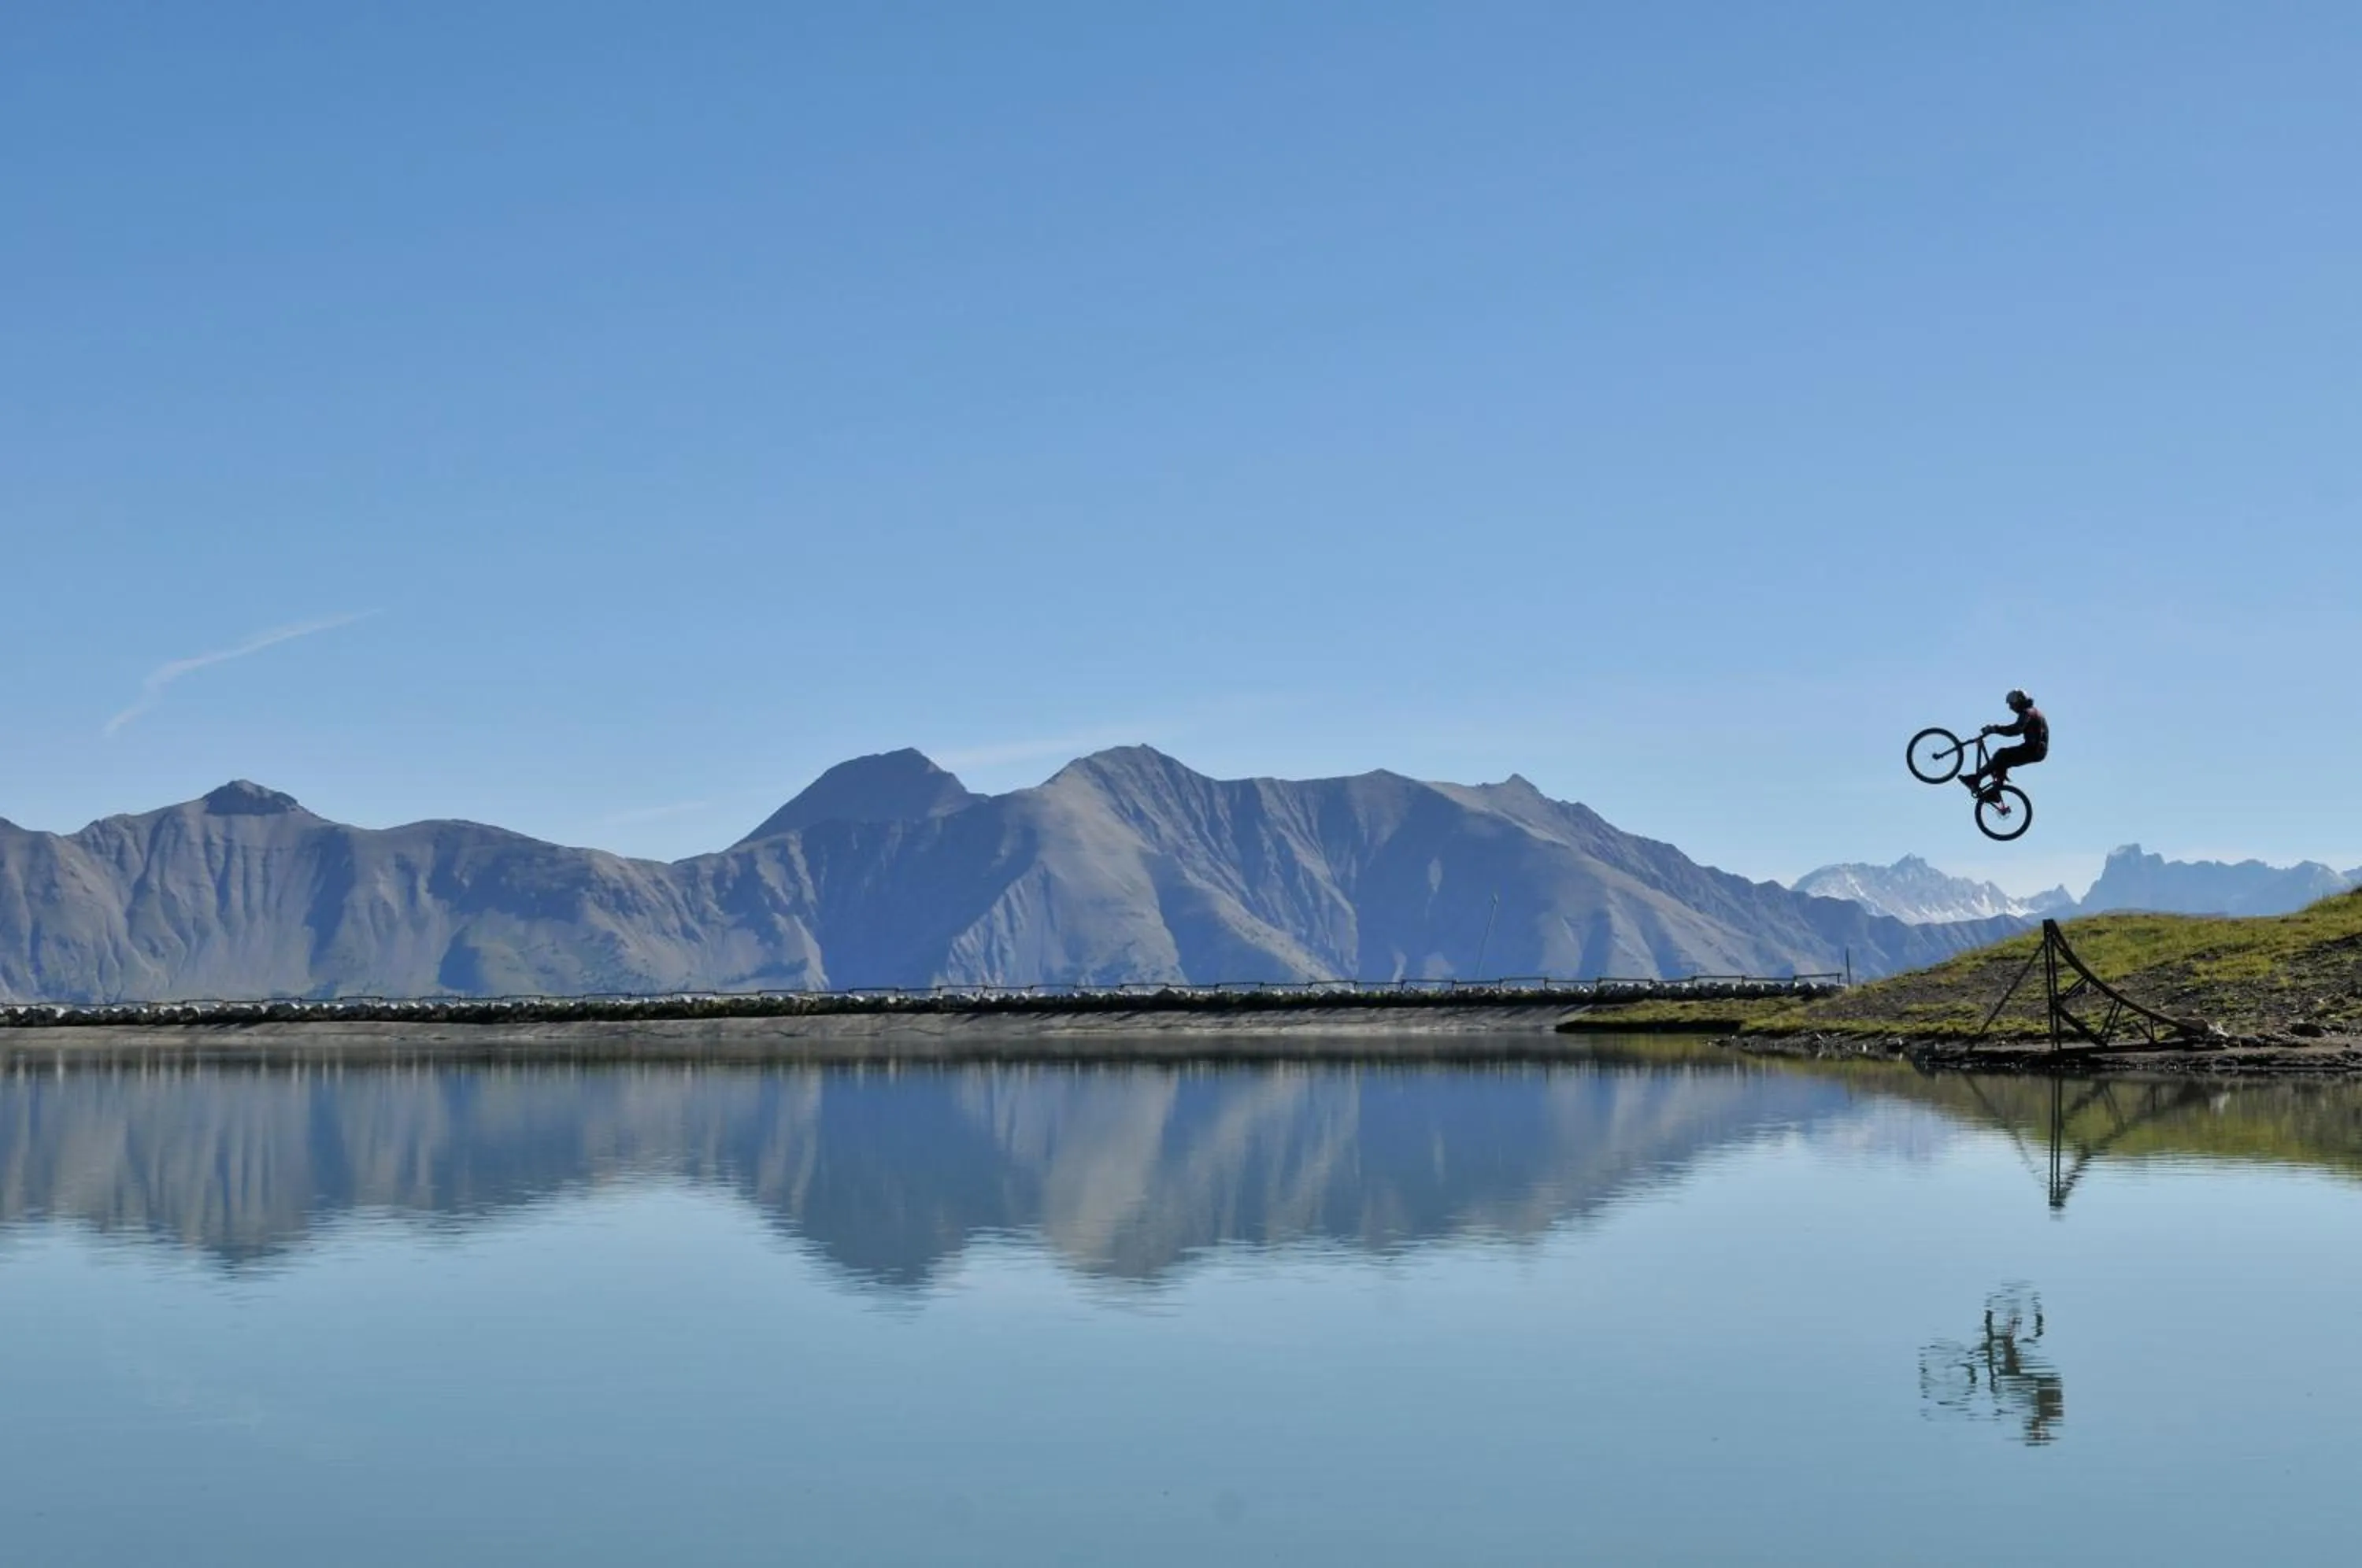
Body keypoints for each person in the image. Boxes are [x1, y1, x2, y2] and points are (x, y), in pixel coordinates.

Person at [1964, 690, 2048, 798]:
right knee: (2003, 759)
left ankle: (1976, 780)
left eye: (2012, 704)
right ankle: (1996, 791)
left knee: (2001, 755)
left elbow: (2016, 730)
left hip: (2033, 750)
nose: (2011, 708)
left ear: (2019, 702)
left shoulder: (2027, 713)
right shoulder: (2034, 712)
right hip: (2037, 750)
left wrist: (1995, 729)